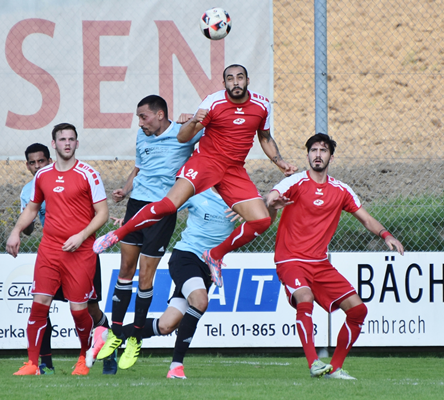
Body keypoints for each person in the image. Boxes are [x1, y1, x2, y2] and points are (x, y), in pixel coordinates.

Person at [94, 64, 297, 289]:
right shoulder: (213, 102)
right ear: (224, 83)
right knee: (168, 206)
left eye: (240, 78)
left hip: (234, 170)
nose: (235, 82)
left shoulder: (262, 105)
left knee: (261, 220)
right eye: (230, 79)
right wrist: (192, 121)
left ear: (247, 80)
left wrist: (280, 162)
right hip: (206, 162)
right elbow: (182, 138)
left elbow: (265, 137)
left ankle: (215, 255)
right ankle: (116, 234)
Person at [264, 133, 405, 380]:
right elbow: (271, 196)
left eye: (323, 150)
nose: (318, 155)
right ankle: (314, 363)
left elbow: (366, 218)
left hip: (319, 263)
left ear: (330, 156)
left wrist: (387, 235)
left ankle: (335, 368)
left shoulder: (341, 190)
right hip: (291, 259)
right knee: (304, 296)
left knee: (358, 311)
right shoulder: (294, 182)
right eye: (313, 150)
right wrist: (270, 202)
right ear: (307, 154)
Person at [94, 95, 201, 370]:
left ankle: (136, 338)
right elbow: (139, 168)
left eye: (144, 117)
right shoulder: (143, 136)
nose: (140, 123)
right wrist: (126, 189)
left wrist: (194, 118)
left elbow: (214, 134)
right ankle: (117, 334)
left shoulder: (184, 132)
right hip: (136, 206)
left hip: (163, 211)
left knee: (145, 275)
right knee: (125, 270)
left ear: (161, 114)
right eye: (139, 118)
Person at [6, 123, 109, 376]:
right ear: (54, 143)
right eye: (62, 139)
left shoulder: (89, 174)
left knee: (79, 310)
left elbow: (103, 214)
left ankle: (83, 359)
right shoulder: (43, 176)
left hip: (81, 251)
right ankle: (33, 364)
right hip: (50, 250)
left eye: (71, 139)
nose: (66, 143)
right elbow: (32, 208)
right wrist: (16, 231)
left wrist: (81, 235)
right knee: (39, 304)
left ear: (76, 143)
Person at [117, 188, 237, 379]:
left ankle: (115, 337)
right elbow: (161, 209)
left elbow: (262, 219)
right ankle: (176, 367)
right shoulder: (197, 191)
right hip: (186, 258)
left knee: (166, 325)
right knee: (200, 301)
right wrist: (131, 224)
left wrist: (270, 206)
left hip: (209, 266)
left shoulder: (240, 198)